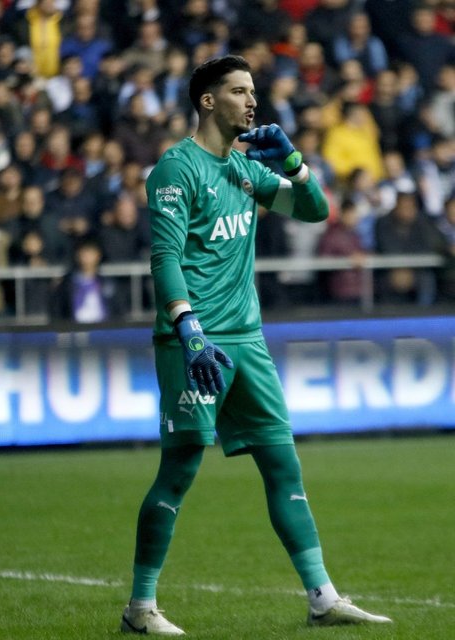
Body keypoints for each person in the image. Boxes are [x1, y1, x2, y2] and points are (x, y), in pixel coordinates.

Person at [120, 54, 392, 635]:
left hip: (248, 340)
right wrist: (188, 328)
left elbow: (316, 211)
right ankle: (140, 608)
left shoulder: (246, 169)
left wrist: (294, 163)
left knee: (283, 464)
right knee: (179, 469)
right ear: (208, 101)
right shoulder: (175, 169)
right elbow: (165, 257)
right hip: (194, 341)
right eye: (240, 91)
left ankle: (323, 598)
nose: (252, 101)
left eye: (253, 91)